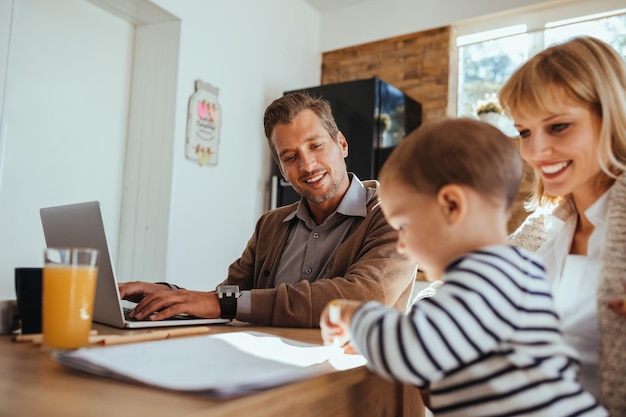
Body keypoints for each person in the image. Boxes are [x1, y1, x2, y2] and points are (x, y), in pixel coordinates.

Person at [320, 118, 607, 416]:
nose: (401, 245)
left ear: (452, 206)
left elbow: (418, 348)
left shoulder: (485, 277)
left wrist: (355, 316)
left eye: (404, 226)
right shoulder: (519, 269)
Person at [118, 92, 417, 328]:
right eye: (290, 157)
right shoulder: (271, 225)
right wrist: (170, 296)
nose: (307, 165)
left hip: (351, 387)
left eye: (316, 146)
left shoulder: (394, 214)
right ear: (282, 170)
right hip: (267, 380)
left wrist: (223, 303)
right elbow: (226, 298)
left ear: (341, 143)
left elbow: (364, 298)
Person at [499, 36, 626, 416]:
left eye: (558, 127)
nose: (535, 153)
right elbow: (457, 291)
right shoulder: (543, 225)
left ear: (611, 117)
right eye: (524, 132)